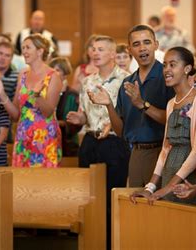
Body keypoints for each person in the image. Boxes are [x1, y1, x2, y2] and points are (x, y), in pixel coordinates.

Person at [88, 25, 175, 187]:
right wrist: (109, 106)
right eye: (136, 44)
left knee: (159, 207)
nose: (142, 48)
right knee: (135, 206)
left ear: (156, 45)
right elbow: (121, 131)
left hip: (162, 152)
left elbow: (173, 120)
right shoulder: (127, 83)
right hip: (135, 152)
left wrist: (142, 105)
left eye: (147, 42)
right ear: (129, 49)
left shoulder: (167, 77)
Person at [67, 36, 130, 250]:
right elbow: (86, 114)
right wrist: (79, 119)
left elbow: (128, 118)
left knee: (111, 196)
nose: (95, 52)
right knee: (88, 196)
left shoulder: (126, 80)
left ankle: (113, 242)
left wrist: (110, 127)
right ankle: (92, 242)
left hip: (114, 143)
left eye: (101, 49)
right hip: (91, 141)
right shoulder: (87, 81)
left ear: (113, 54)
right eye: (93, 48)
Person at [129, 46, 196, 205]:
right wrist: (151, 186)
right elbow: (165, 149)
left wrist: (169, 187)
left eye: (172, 65)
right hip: (170, 174)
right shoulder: (170, 104)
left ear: (187, 69)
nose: (166, 69)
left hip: (188, 179)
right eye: (165, 65)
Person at [0, 34, 62, 167]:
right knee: (21, 183)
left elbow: (48, 112)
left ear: (40, 51)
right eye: (23, 48)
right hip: (23, 135)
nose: (24, 51)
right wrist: (2, 94)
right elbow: (16, 115)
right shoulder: (22, 75)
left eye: (28, 47)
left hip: (44, 136)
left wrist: (36, 96)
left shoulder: (53, 76)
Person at [48, 57, 81, 157]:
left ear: (65, 73)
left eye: (57, 70)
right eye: (51, 70)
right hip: (49, 141)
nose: (53, 73)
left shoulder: (72, 95)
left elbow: (75, 122)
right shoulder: (47, 92)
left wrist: (60, 123)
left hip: (67, 144)